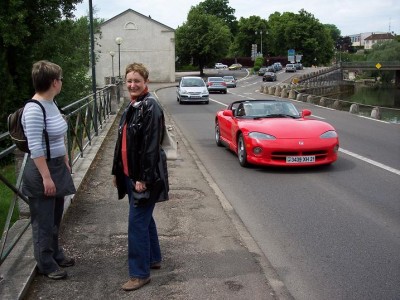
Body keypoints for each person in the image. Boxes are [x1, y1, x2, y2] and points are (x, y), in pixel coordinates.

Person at [112, 62, 169, 291]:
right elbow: (122, 143)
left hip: (145, 177)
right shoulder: (133, 106)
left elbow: (150, 147)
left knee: (136, 224)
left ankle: (139, 274)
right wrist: (117, 171)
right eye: (129, 81)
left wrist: (142, 178)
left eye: (137, 80)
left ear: (146, 82)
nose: (132, 84)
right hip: (130, 174)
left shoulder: (150, 107)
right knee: (145, 219)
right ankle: (153, 258)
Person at [22, 60, 76, 280]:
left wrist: (64, 158)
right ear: (54, 82)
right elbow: (35, 147)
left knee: (55, 217)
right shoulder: (33, 109)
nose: (61, 82)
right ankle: (46, 263)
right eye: (60, 79)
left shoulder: (52, 103)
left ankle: (55, 253)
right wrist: (46, 177)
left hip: (56, 165)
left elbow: (57, 135)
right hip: (41, 170)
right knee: (43, 220)